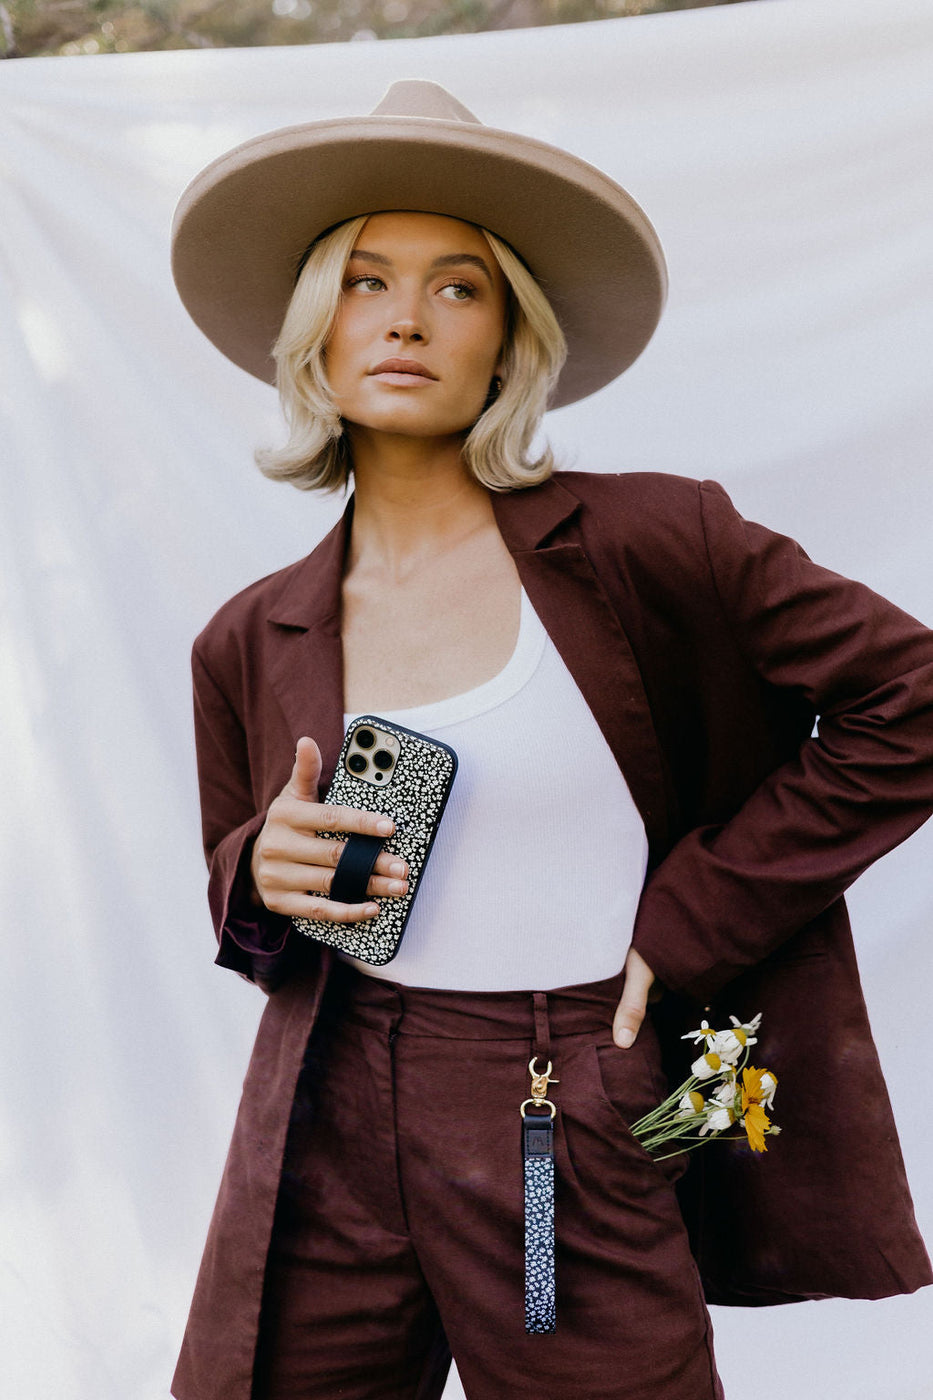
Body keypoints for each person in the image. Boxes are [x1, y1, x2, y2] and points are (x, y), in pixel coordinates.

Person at [169, 81, 933, 1400]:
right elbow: (250, 939)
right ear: (314, 337)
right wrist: (261, 871)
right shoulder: (252, 636)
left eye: (458, 287)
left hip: (550, 1119)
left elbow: (908, 701)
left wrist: (685, 923)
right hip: (323, 1117)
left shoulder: (649, 542)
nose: (406, 316)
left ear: (512, 339)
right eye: (364, 281)